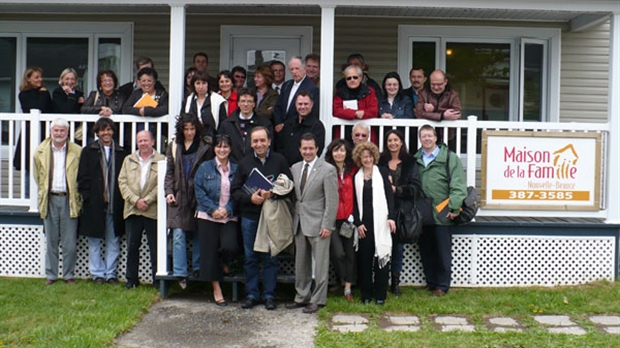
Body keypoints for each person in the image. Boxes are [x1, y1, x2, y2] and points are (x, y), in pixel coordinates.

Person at [231, 126, 292, 310]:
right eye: (255, 141)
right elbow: (235, 192)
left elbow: (289, 187)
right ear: (251, 143)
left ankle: (269, 295)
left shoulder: (279, 161)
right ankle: (251, 294)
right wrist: (250, 198)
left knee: (271, 257)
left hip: (272, 216)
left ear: (269, 141)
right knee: (251, 257)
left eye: (262, 140)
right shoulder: (244, 163)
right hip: (251, 217)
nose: (259, 144)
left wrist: (273, 194)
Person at [285, 133, 338, 314]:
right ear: (300, 149)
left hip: (319, 224)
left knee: (320, 264)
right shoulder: (296, 168)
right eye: (304, 148)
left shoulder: (328, 169)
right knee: (301, 263)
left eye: (311, 148)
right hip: (299, 222)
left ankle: (318, 299)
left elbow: (332, 200)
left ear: (317, 149)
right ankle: (301, 297)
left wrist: (327, 225)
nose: (307, 151)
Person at [413, 124, 467, 296]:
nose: (427, 139)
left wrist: (455, 207)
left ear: (436, 138)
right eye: (424, 136)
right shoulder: (416, 159)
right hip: (423, 212)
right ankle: (431, 282)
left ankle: (442, 286)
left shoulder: (450, 158)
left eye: (430, 135)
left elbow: (458, 185)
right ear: (420, 139)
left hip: (443, 211)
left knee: (442, 251)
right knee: (426, 249)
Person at [165, 114, 213, 289]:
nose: (190, 132)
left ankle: (198, 268)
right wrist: (169, 191)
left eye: (192, 129)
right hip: (179, 196)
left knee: (199, 232)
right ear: (181, 130)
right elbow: (169, 172)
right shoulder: (174, 147)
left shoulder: (205, 148)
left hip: (198, 195)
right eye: (186, 129)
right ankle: (180, 272)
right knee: (178, 235)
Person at [77, 117, 127, 285]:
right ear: (97, 132)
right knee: (94, 240)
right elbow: (82, 177)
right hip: (95, 203)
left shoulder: (121, 152)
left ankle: (111, 273)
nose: (106, 133)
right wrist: (87, 197)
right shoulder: (88, 151)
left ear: (113, 131)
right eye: (103, 130)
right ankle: (97, 273)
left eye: (109, 129)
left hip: (115, 203)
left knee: (113, 240)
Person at [33, 118, 82, 285]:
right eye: (56, 131)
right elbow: (37, 175)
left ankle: (69, 274)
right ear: (51, 132)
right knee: (51, 241)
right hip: (50, 199)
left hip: (69, 199)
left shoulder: (77, 151)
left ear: (67, 133)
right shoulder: (41, 151)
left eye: (62, 131)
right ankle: (51, 275)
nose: (59, 133)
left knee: (69, 243)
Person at [194, 134, 239, 306]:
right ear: (214, 148)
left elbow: (239, 191)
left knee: (230, 246)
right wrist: (213, 210)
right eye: (219, 146)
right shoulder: (205, 167)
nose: (222, 149)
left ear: (231, 149)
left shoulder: (236, 169)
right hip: (207, 215)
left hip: (229, 215)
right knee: (209, 253)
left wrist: (226, 210)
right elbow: (198, 190)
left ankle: (224, 262)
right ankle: (217, 290)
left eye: (226, 146)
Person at [118, 130, 166, 290]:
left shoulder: (162, 161)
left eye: (146, 140)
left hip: (152, 210)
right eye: (140, 141)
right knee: (132, 246)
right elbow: (122, 182)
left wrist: (147, 200)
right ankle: (131, 279)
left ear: (153, 141)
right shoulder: (129, 160)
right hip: (133, 209)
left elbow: (162, 184)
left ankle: (157, 279)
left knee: (155, 247)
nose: (143, 144)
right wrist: (135, 200)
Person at [352, 142, 396, 305]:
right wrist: (358, 223)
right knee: (364, 261)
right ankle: (366, 295)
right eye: (364, 156)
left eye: (370, 156)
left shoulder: (383, 173)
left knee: (382, 259)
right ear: (359, 158)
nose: (367, 159)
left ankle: (380, 296)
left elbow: (389, 197)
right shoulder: (356, 177)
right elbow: (354, 203)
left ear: (374, 157)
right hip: (364, 225)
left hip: (381, 222)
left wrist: (391, 216)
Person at [378, 129, 419, 296]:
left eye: (396, 140)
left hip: (401, 211)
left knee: (397, 248)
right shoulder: (380, 161)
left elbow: (416, 188)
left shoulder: (410, 162)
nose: (393, 143)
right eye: (389, 140)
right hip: (382, 208)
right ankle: (380, 280)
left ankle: (395, 283)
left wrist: (397, 189)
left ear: (401, 142)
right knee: (381, 245)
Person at [325, 139, 358, 301]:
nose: (339, 154)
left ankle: (347, 287)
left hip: (349, 219)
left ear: (347, 153)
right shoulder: (327, 171)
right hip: (332, 218)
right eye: (336, 150)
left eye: (342, 151)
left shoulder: (353, 171)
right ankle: (344, 279)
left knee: (350, 253)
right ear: (331, 153)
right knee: (338, 253)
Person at [13, 66, 53, 197]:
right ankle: (28, 198)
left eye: (41, 77)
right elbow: (37, 108)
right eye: (36, 77)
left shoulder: (45, 93)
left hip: (44, 133)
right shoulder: (23, 94)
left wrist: (43, 93)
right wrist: (42, 93)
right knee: (29, 168)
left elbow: (50, 109)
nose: (40, 80)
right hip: (29, 135)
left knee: (45, 166)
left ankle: (43, 197)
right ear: (28, 79)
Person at [217, 88, 273, 163]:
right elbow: (221, 148)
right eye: (243, 101)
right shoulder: (226, 125)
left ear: (254, 104)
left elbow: (270, 148)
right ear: (238, 103)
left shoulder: (265, 124)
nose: (246, 104)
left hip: (257, 165)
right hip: (232, 167)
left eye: (249, 101)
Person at [276, 91, 325, 166]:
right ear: (295, 104)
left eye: (306, 104)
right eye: (300, 104)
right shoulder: (288, 124)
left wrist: (297, 167)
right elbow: (280, 147)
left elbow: (316, 151)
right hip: (286, 168)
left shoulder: (317, 126)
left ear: (311, 104)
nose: (302, 107)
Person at [333, 65, 379, 145]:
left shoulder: (369, 91)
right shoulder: (340, 93)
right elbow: (336, 110)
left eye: (355, 77)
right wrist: (354, 114)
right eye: (349, 78)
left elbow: (374, 111)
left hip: (364, 134)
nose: (352, 80)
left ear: (360, 78)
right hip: (344, 133)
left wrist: (363, 113)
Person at [273, 56, 319, 133]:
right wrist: (279, 123)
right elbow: (278, 106)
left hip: (299, 129)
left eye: (297, 68)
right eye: (292, 69)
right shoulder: (286, 85)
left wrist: (286, 124)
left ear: (304, 69)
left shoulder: (312, 88)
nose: (294, 72)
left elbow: (311, 112)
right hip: (281, 130)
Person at [81, 70, 126, 143]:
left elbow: (124, 111)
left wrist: (110, 113)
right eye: (104, 81)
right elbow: (84, 108)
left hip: (115, 135)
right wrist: (100, 109)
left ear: (114, 82)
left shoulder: (121, 96)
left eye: (110, 80)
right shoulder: (94, 95)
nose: (107, 83)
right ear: (100, 83)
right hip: (94, 134)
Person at [181, 70, 227, 140]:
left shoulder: (218, 100)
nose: (201, 86)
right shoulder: (188, 101)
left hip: (212, 141)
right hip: (192, 141)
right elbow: (182, 121)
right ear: (194, 85)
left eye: (204, 83)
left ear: (208, 84)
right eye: (198, 83)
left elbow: (223, 124)